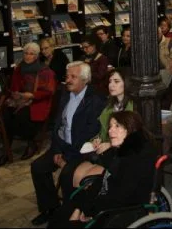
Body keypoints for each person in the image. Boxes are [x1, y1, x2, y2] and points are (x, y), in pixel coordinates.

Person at [48, 111, 158, 228]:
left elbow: (121, 198)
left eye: (117, 126)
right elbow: (104, 179)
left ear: (131, 128)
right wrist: (80, 208)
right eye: (110, 126)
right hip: (103, 202)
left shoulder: (136, 159)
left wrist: (89, 211)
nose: (110, 130)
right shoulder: (123, 151)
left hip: (116, 214)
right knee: (60, 214)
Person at [30, 61, 105, 226]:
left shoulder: (95, 100)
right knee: (38, 167)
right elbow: (57, 125)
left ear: (85, 79)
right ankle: (50, 208)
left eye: (73, 77)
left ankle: (70, 214)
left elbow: (91, 131)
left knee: (67, 175)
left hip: (79, 150)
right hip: (62, 146)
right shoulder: (64, 94)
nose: (68, 80)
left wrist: (67, 157)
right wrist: (57, 150)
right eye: (67, 76)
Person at [0, 42, 56, 167]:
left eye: (31, 54)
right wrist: (17, 94)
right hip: (21, 100)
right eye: (26, 53)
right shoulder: (19, 68)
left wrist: (32, 95)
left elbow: (49, 91)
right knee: (5, 115)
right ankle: (6, 150)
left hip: (37, 102)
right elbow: (14, 86)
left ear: (36, 56)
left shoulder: (45, 71)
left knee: (21, 116)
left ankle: (31, 143)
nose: (28, 56)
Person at [71, 69, 135, 188]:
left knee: (85, 179)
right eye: (110, 81)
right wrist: (97, 140)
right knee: (76, 175)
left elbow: (132, 136)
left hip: (122, 154)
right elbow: (102, 131)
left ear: (126, 84)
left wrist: (109, 144)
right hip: (105, 152)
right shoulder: (109, 105)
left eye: (116, 81)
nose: (111, 85)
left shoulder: (132, 106)